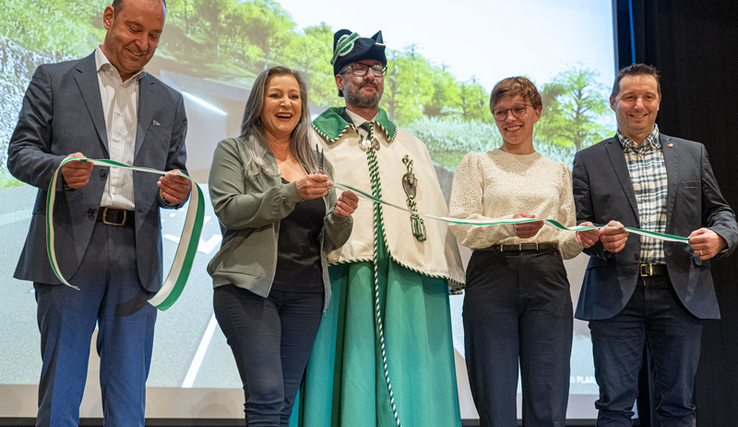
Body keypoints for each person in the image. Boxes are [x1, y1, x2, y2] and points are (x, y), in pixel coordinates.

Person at [6, 0, 191, 425]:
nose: (143, 43)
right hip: (68, 249)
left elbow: (173, 172)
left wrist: (176, 190)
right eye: (134, 28)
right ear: (109, 18)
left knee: (129, 401)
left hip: (137, 257)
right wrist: (58, 169)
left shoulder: (170, 102)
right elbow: (19, 154)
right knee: (61, 395)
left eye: (154, 35)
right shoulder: (53, 79)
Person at [293, 29, 465, 427]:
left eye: (377, 69)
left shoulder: (410, 145)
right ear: (339, 80)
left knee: (411, 375)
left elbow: (430, 212)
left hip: (407, 279)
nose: (370, 76)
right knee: (346, 371)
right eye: (358, 68)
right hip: (342, 276)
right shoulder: (313, 138)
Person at [572, 63, 738, 426]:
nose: (639, 105)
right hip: (615, 295)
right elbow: (583, 229)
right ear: (613, 101)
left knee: (678, 406)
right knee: (614, 406)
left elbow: (722, 214)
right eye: (629, 97)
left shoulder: (692, 153)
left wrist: (720, 238)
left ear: (659, 102)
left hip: (679, 292)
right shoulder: (588, 159)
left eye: (648, 96)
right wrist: (599, 241)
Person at [207, 66, 358, 427]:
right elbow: (229, 210)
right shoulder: (233, 150)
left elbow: (330, 240)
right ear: (259, 102)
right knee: (266, 396)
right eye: (276, 94)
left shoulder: (317, 161)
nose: (286, 102)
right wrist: (291, 192)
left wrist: (341, 216)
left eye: (294, 95)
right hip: (248, 290)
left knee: (283, 405)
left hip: (306, 296)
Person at [447, 77, 598, 427]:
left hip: (547, 277)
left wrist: (582, 238)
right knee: (495, 396)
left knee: (548, 392)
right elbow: (462, 225)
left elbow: (564, 239)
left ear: (537, 113)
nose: (510, 118)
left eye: (519, 109)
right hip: (491, 275)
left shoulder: (558, 171)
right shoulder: (477, 163)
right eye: (501, 112)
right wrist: (507, 227)